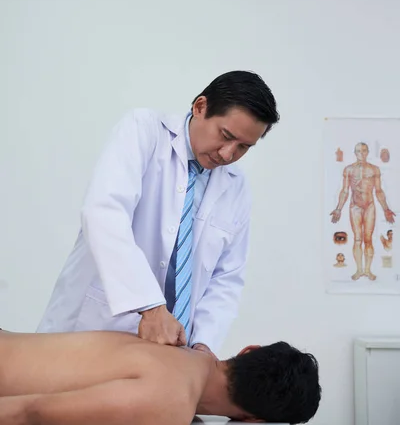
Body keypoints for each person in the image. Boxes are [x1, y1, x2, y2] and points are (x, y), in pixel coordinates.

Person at [37, 71, 279, 357]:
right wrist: (150, 306)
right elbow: (104, 214)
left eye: (243, 147)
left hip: (173, 354)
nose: (227, 154)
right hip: (95, 329)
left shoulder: (236, 186)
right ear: (200, 107)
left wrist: (203, 345)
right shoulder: (144, 130)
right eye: (225, 136)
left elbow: (227, 278)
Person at [0, 329, 321, 424]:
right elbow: (31, 414)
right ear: (254, 420)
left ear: (249, 350)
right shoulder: (171, 404)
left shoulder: (180, 345)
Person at [330, 142, 395, 281]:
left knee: (368, 239)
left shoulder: (374, 169)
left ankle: (367, 270)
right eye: (359, 151)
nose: (361, 153)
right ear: (355, 153)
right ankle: (359, 270)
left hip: (370, 206)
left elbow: (378, 191)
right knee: (357, 239)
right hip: (355, 207)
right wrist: (338, 209)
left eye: (364, 150)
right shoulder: (348, 169)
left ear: (368, 152)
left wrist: (386, 209)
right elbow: (345, 191)